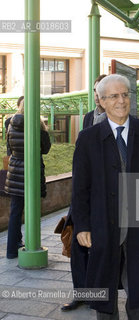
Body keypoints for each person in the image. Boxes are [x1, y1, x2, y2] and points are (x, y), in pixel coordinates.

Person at [71, 74, 139, 319]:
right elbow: (80, 188)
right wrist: (81, 225)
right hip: (103, 222)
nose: (121, 101)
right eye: (114, 96)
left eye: (125, 94)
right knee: (104, 288)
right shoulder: (88, 138)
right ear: (101, 101)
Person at [61, 73, 107, 312]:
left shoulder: (120, 119)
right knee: (79, 245)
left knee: (101, 247)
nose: (98, 96)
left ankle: (100, 294)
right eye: (95, 91)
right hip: (83, 192)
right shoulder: (89, 117)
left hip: (107, 194)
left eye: (102, 91)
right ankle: (81, 293)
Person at [4, 97, 51, 259]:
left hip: (15, 171)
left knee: (15, 212)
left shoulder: (10, 123)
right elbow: (46, 149)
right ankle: (31, 244)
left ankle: (11, 249)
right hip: (31, 171)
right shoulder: (37, 126)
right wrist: (43, 130)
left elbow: (9, 148)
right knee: (32, 209)